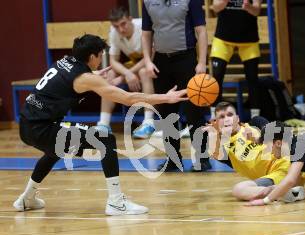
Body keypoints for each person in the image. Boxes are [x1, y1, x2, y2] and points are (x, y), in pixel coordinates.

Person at [14, 34, 187, 215]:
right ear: (92, 57)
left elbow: (68, 79)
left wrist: (94, 75)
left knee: (55, 149)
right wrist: (166, 98)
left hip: (26, 125)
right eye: (100, 55)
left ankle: (27, 198)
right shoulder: (86, 78)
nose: (100, 60)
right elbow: (129, 99)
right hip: (41, 128)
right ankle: (116, 202)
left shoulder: (63, 62)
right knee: (105, 140)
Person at [205, 102, 305, 202]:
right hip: (276, 175)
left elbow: (279, 136)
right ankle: (283, 191)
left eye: (230, 115)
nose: (226, 119)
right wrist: (212, 133)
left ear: (237, 118)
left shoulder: (255, 123)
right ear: (217, 122)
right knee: (238, 189)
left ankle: (282, 192)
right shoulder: (225, 148)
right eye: (222, 117)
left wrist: (256, 138)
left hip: (296, 160)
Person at [141, 0, 211, 172]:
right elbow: (145, 34)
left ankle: (202, 158)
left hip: (186, 59)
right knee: (166, 114)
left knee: (194, 111)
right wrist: (148, 61)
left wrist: (201, 62)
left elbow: (201, 31)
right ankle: (173, 160)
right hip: (161, 62)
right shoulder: (148, 2)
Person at [94, 7, 158, 139]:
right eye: (116, 26)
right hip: (134, 66)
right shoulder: (114, 32)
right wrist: (127, 74)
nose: (121, 29)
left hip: (154, 64)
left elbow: (150, 56)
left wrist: (125, 75)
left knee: (143, 71)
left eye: (123, 24)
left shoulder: (142, 26)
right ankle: (104, 124)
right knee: (109, 75)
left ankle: (148, 122)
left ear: (130, 19)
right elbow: (113, 61)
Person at [210, 0, 262, 119]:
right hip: (223, 38)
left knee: (253, 78)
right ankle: (214, 115)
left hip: (249, 40)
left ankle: (255, 118)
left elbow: (257, 10)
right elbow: (215, 7)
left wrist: (248, 7)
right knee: (217, 75)